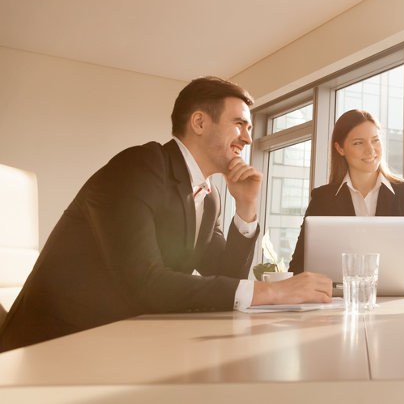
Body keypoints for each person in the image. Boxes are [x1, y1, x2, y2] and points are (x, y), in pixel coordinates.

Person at [0, 77, 331, 352]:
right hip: (52, 345)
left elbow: (224, 272)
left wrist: (246, 208)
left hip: (122, 341)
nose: (247, 137)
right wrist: (273, 292)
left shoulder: (210, 196)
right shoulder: (140, 166)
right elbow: (145, 282)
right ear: (200, 122)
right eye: (239, 124)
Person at [290, 109, 404, 284]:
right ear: (340, 148)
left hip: (393, 304)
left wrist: (384, 286)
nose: (370, 150)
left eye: (375, 141)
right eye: (358, 143)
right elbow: (298, 266)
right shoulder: (322, 198)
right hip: (338, 304)